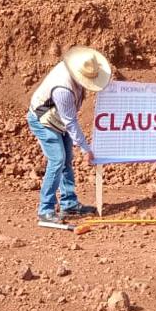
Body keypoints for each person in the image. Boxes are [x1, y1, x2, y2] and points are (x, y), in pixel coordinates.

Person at [27, 46, 112, 223]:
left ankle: (69, 204)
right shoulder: (63, 89)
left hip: (57, 118)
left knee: (66, 159)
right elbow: (70, 122)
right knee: (57, 159)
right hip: (43, 120)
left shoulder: (75, 73)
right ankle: (45, 209)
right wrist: (85, 148)